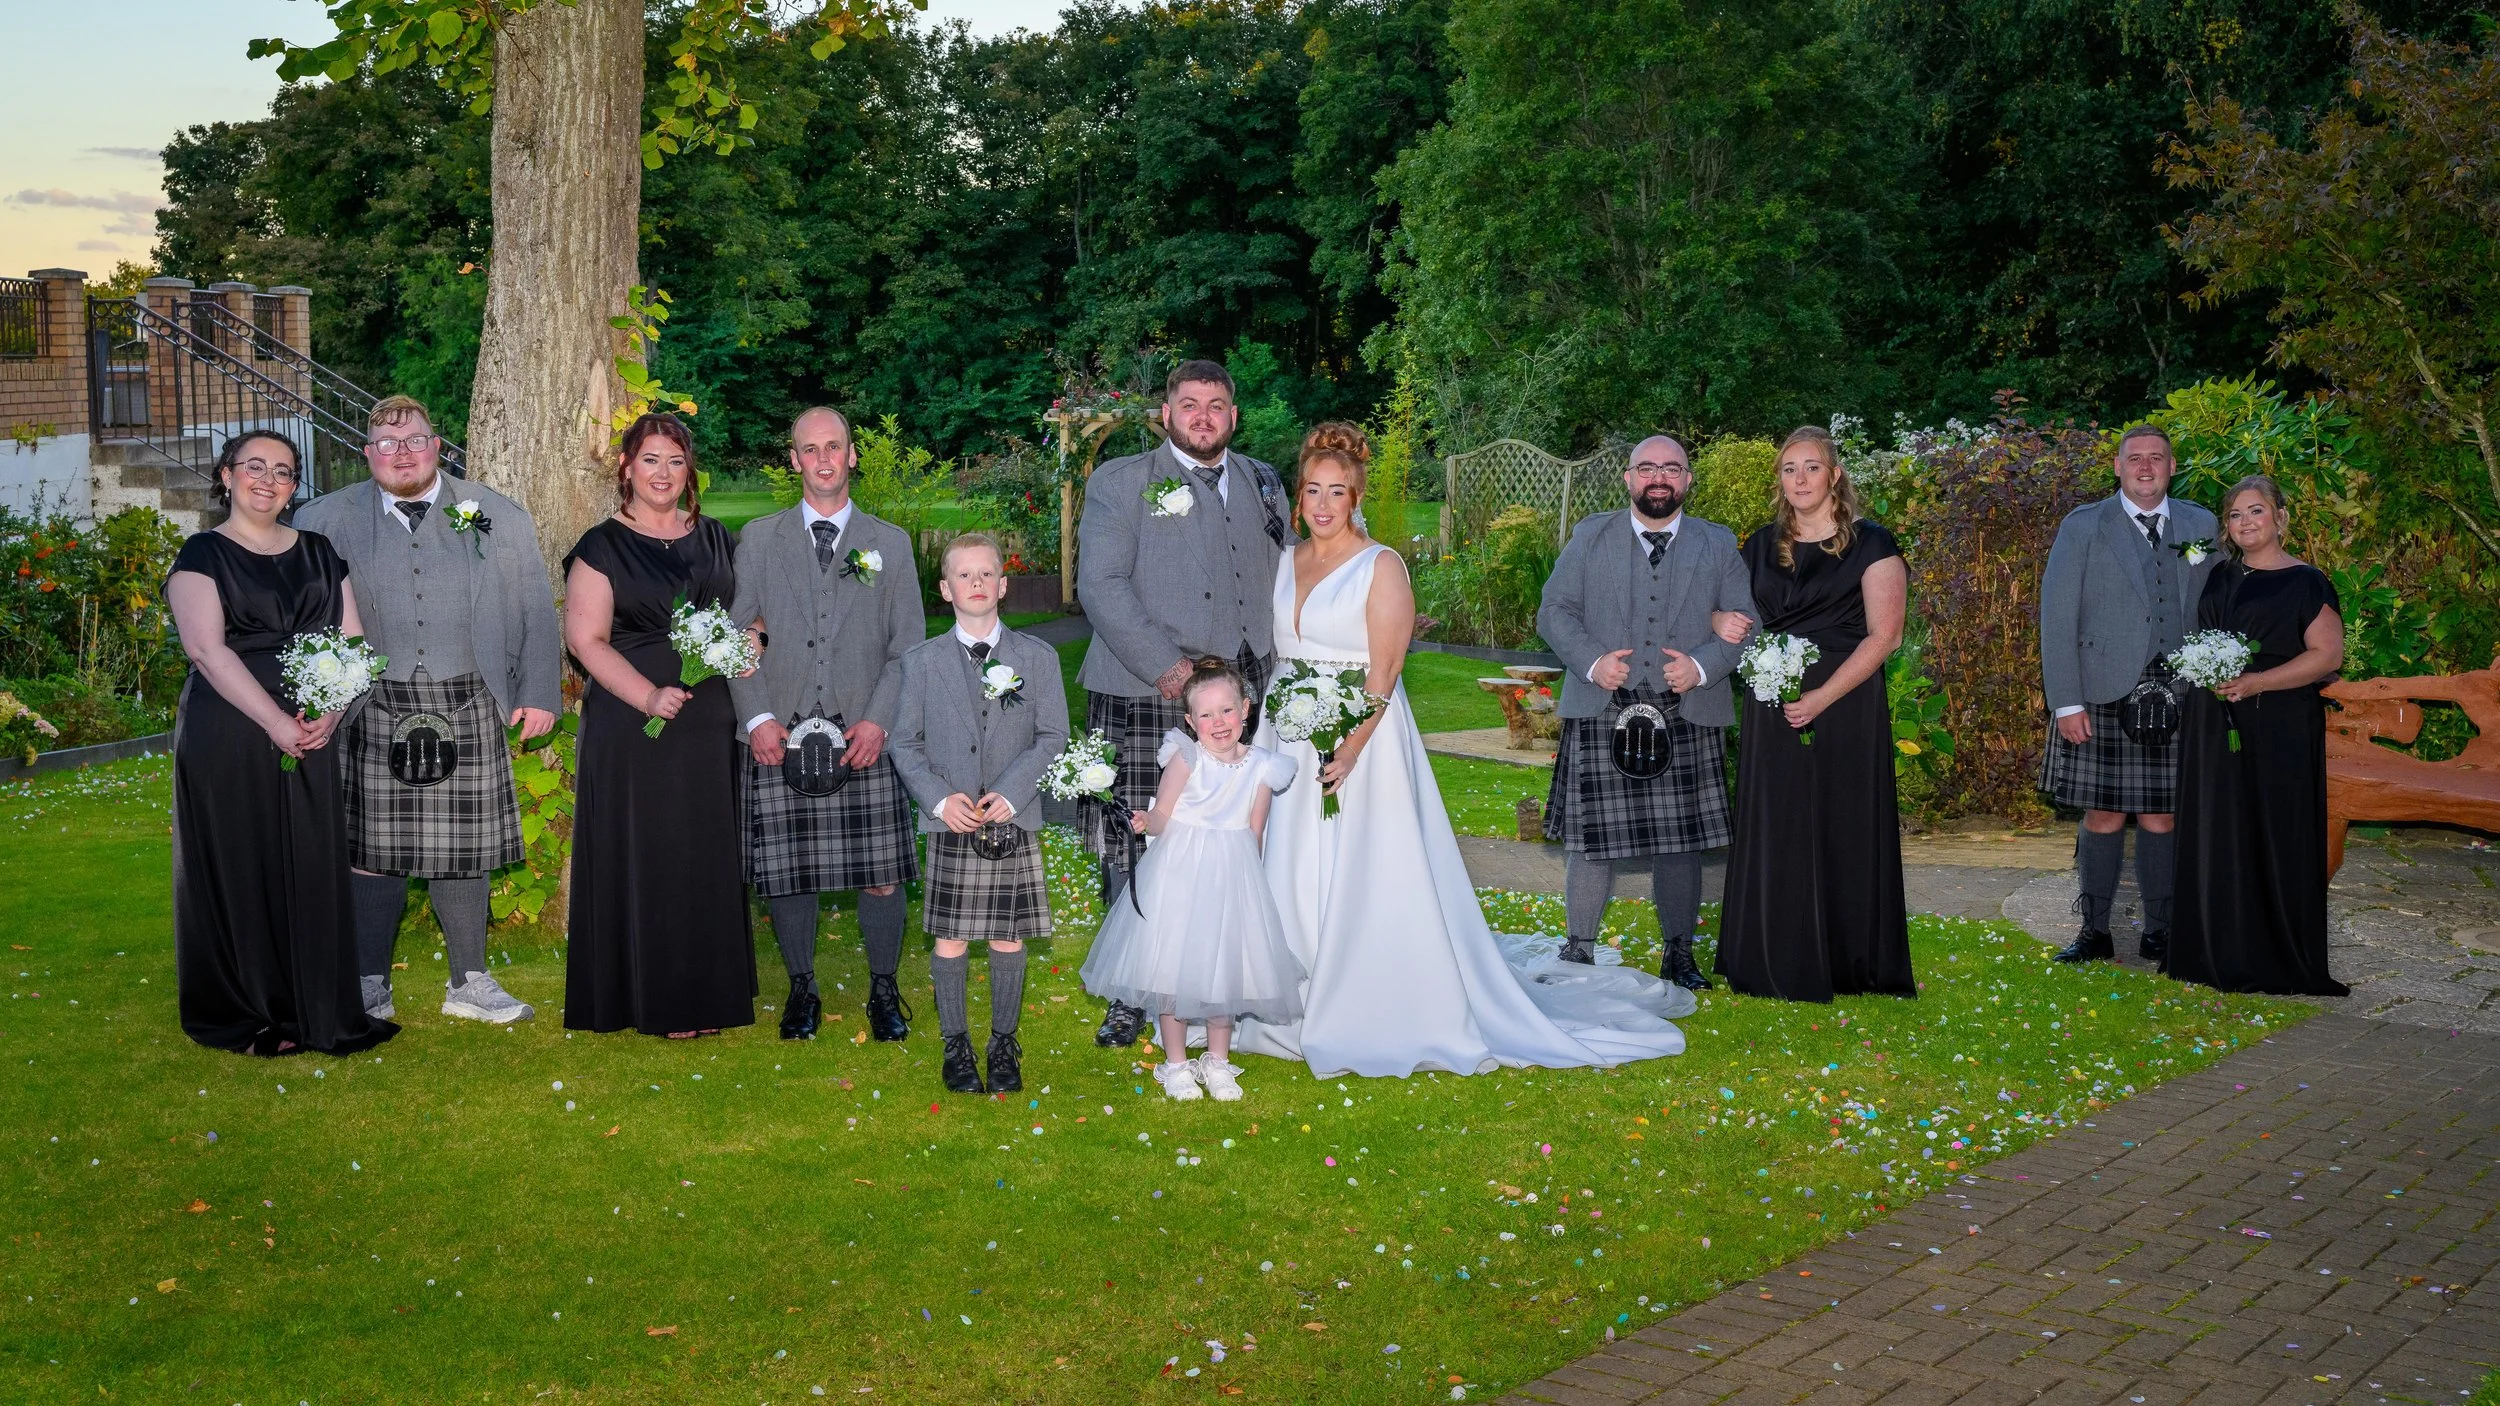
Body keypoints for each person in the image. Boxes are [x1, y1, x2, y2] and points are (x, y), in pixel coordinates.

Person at [1231, 424, 1694, 1079]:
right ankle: (1277, 994)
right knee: (1287, 855)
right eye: (1313, 491)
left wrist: (1353, 746)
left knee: (1357, 863)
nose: (1325, 504)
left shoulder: (1380, 565)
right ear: (1299, 499)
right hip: (1285, 731)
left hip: (1361, 735)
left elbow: (1385, 671)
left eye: (1338, 491)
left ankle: (1360, 994)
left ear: (1356, 496)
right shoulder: (1283, 561)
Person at [292, 395, 560, 1025]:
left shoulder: (497, 513)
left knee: (463, 847)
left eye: (413, 439)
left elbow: (535, 609)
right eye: (386, 444)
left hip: (467, 694)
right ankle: (369, 987)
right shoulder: (323, 519)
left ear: (438, 446)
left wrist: (539, 691)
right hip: (372, 703)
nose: (401, 452)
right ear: (367, 455)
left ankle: (470, 982)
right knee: (370, 849)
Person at [1073, 358, 1289, 1049]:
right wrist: (1170, 671)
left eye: (1217, 405)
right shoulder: (1120, 482)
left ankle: (1219, 982)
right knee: (1137, 842)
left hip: (1239, 700)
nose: (1203, 417)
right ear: (1165, 415)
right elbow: (1101, 586)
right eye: (1189, 405)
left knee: (1227, 844)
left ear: (1234, 416)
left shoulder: (1263, 481)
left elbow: (1284, 576)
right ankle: (1131, 997)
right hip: (1143, 689)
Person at [166, 430, 396, 1056]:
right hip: (232, 731)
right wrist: (274, 722)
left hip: (313, 728)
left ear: (296, 487)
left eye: (284, 472)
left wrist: (331, 712)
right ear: (226, 475)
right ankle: (247, 1009)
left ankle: (313, 1003)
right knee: (241, 859)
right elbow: (207, 652)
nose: (268, 480)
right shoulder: (201, 555)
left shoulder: (320, 552)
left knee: (308, 861)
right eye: (255, 467)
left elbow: (354, 645)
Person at [727, 407, 924, 1041]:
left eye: (834, 447)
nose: (823, 460)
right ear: (794, 460)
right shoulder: (759, 538)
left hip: (862, 735)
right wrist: (756, 717)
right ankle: (801, 988)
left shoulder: (889, 543)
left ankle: (885, 990)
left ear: (852, 455)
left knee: (882, 870)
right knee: (788, 870)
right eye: (809, 450)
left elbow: (908, 648)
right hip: (780, 736)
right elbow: (736, 638)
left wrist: (878, 722)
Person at [1537, 435, 1758, 991]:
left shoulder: (1717, 542)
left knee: (1679, 841)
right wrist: (1591, 662)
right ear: (1629, 478)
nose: (1659, 477)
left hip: (1686, 707)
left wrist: (1704, 668)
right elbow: (1553, 610)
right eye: (1647, 468)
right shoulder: (1592, 535)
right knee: (1591, 839)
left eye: (1672, 468)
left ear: (1687, 479)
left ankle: (1678, 954)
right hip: (1602, 704)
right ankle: (1579, 948)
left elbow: (1744, 621)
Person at [560, 413, 755, 1037]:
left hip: (711, 726)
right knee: (653, 854)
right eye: (650, 459)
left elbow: (755, 615)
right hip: (633, 726)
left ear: (688, 469)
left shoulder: (721, 540)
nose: (663, 473)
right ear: (626, 467)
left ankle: (711, 990)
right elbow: (585, 640)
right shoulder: (601, 546)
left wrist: (752, 638)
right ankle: (660, 997)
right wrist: (647, 696)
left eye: (675, 460)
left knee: (705, 855)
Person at [1712, 426, 1914, 1001]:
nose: (1799, 479)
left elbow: (1887, 638)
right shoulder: (1758, 544)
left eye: (1811, 468)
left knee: (1840, 821)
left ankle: (1849, 959)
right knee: (1776, 822)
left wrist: (1823, 698)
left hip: (1844, 703)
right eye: (1788, 469)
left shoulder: (1873, 544)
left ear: (1835, 475)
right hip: (1772, 702)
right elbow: (1717, 608)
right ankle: (1770, 953)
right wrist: (1716, 625)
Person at [888, 534, 1071, 1095]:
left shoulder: (1036, 659)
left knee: (1008, 937)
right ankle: (956, 1045)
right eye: (963, 576)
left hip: (1013, 820)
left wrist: (1014, 794)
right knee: (950, 938)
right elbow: (904, 743)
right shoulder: (920, 664)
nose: (975, 584)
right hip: (952, 821)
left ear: (1003, 585)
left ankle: (1003, 1043)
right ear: (945, 590)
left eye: (986, 574)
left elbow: (1053, 735)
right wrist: (941, 800)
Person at [2038, 425, 2221, 965]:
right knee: (2103, 815)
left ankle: (2161, 930)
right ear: (2117, 467)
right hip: (2102, 692)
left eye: (2157, 458)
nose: (2146, 467)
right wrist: (2066, 701)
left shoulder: (2200, 523)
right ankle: (2094, 932)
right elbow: (2057, 615)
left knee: (2165, 816)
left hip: (2179, 691)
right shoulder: (2084, 526)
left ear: (2172, 466)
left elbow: (2212, 606)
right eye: (2135, 458)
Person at [1080, 660, 1302, 1101]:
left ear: (1245, 710)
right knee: (1172, 969)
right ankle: (1177, 1063)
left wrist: (1249, 887)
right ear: (1189, 721)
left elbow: (1255, 830)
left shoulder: (1263, 766)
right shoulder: (1185, 758)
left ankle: (1218, 1062)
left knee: (1225, 971)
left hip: (1231, 878)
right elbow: (1164, 815)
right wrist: (1147, 820)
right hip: (1180, 875)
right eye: (1205, 714)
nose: (1217, 723)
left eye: (1226, 711)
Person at [2169, 476, 2350, 996]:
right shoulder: (2219, 577)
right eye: (2235, 515)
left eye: (2256, 511)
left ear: (2279, 516)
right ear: (2226, 527)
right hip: (2215, 720)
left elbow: (2327, 656)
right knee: (2222, 828)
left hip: (2278, 724)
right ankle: (2215, 947)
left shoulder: (2306, 581)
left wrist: (2257, 682)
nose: (2246, 522)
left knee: (2274, 829)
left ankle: (2278, 953)